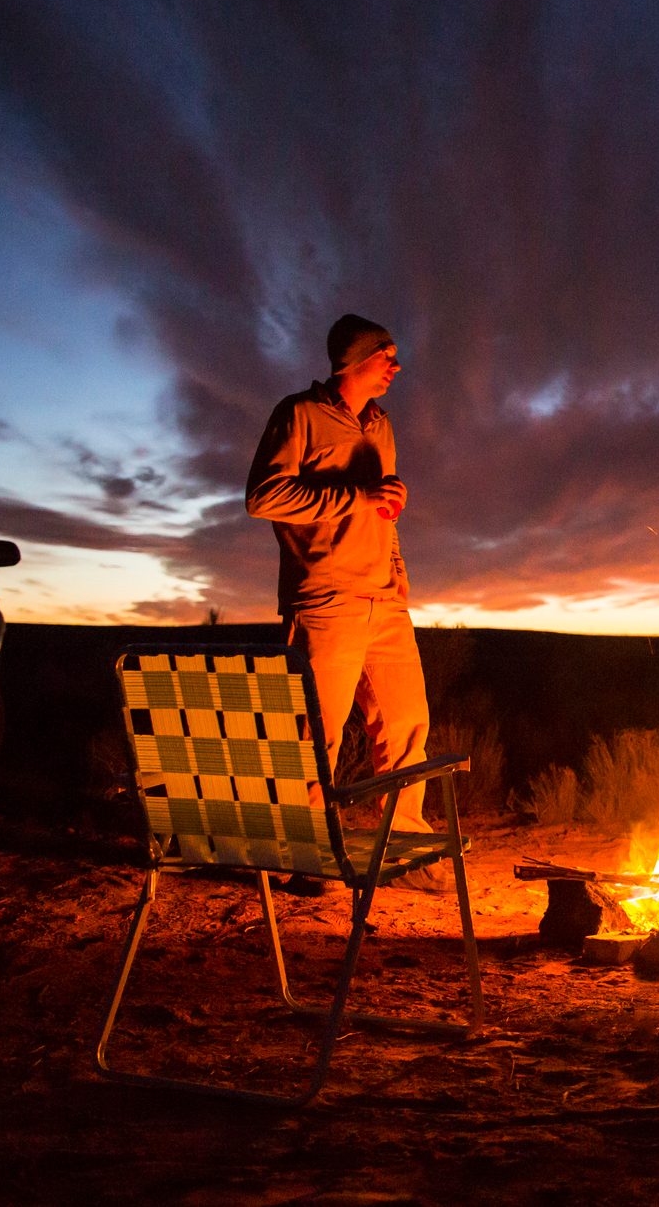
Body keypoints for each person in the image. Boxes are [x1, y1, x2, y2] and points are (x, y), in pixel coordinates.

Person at [246, 313, 452, 894]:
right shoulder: (299, 415)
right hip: (326, 597)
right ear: (354, 360)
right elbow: (262, 496)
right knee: (317, 734)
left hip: (385, 602)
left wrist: (389, 512)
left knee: (407, 726)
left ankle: (407, 849)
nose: (397, 364)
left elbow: (377, 511)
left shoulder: (381, 425)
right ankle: (310, 857)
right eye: (387, 354)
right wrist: (356, 496)